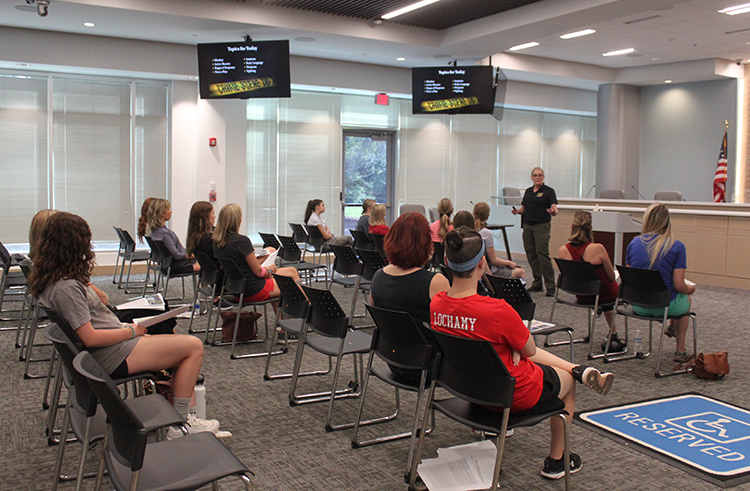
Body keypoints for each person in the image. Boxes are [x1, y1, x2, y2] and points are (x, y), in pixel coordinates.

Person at [430, 226, 614, 479]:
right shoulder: (497, 310)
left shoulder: (437, 303)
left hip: (468, 390)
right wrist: (516, 349)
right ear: (482, 264)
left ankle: (576, 368)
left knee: (531, 360)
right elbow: (529, 349)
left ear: (447, 262)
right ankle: (557, 461)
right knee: (568, 383)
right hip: (514, 394)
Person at [30, 212, 228, 439]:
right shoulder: (67, 288)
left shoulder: (54, 279)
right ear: (74, 245)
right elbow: (90, 338)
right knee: (193, 347)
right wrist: (130, 331)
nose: (89, 246)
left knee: (173, 344)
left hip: (108, 348)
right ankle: (182, 424)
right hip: (109, 354)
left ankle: (182, 416)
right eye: (86, 241)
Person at [370, 212, 450, 382]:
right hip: (429, 366)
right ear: (426, 243)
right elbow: (452, 331)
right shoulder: (434, 281)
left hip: (393, 359)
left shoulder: (377, 276)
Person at [626, 203, 696, 362]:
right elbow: (679, 285)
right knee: (685, 298)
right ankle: (680, 349)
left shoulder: (633, 243)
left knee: (675, 295)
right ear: (667, 222)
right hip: (664, 306)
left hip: (639, 305)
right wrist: (690, 289)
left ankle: (672, 327)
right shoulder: (677, 246)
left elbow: (631, 278)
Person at [557, 210, 621, 352]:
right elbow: (611, 277)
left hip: (582, 295)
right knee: (609, 287)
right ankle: (614, 333)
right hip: (603, 295)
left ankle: (598, 310)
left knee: (599, 289)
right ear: (590, 229)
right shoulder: (598, 248)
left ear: (572, 226)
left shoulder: (563, 250)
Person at [214, 203, 300, 303]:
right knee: (291, 284)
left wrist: (266, 270)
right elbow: (259, 272)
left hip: (236, 289)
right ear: (238, 220)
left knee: (292, 271)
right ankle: (304, 311)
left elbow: (241, 266)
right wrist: (269, 271)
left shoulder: (217, 242)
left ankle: (286, 316)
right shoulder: (242, 241)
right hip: (254, 289)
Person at [512, 167, 558, 296]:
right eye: (535, 175)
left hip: (541, 225)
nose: (537, 177)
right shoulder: (528, 191)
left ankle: (550, 285)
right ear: (531, 177)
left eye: (540, 175)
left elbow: (554, 207)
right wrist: (518, 211)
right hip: (527, 225)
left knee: (542, 253)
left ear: (543, 177)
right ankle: (537, 283)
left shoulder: (549, 191)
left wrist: (553, 211)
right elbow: (524, 207)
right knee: (531, 254)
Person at [473, 202, 525, 279]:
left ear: (473, 213)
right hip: (488, 270)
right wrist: (509, 262)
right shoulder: (486, 233)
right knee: (521, 271)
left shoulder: (469, 230)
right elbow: (494, 260)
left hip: (473, 268)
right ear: (487, 217)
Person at [147, 198, 200, 273]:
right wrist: (194, 255)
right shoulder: (164, 234)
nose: (171, 212)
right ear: (162, 213)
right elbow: (177, 255)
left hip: (166, 265)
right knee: (207, 265)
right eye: (168, 209)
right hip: (177, 266)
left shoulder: (155, 231)